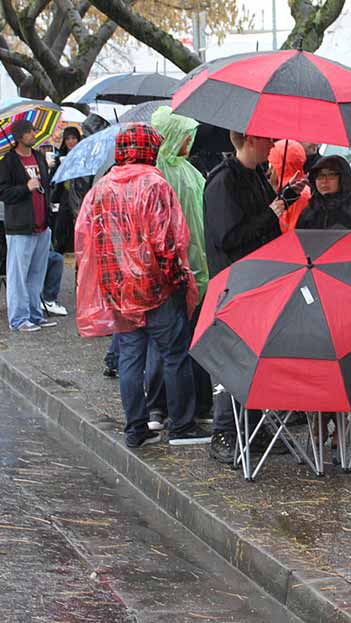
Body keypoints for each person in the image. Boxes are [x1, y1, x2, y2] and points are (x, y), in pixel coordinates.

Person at [75, 123, 211, 448]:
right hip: (156, 289)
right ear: (150, 149)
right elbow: (167, 241)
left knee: (130, 359)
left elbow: (89, 240)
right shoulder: (155, 184)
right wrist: (178, 282)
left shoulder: (102, 188)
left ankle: (136, 428)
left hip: (119, 292)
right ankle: (181, 425)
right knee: (175, 354)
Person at [203, 130, 284, 462]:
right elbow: (229, 237)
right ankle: (224, 432)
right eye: (268, 139)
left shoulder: (255, 176)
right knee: (230, 360)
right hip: (232, 283)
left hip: (256, 281)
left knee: (253, 358)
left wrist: (280, 201)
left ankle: (253, 425)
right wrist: (272, 213)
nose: (273, 144)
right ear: (251, 139)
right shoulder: (223, 181)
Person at [152, 105, 213, 421]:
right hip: (175, 272)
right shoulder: (159, 173)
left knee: (184, 341)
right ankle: (172, 407)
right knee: (174, 344)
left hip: (191, 270)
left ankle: (187, 405)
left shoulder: (188, 171)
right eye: (186, 134)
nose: (190, 140)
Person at [0, 119, 57, 333]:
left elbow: (45, 187)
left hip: (41, 225)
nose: (33, 134)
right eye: (29, 132)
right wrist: (24, 188)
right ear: (19, 137)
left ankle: (34, 314)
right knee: (18, 275)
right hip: (20, 227)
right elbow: (0, 192)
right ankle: (18, 319)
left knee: (37, 273)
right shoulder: (8, 162)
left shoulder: (38, 157)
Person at [297, 155, 351, 232]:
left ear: (343, 179)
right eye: (320, 176)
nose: (324, 181)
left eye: (331, 175)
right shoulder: (309, 212)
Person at [267, 139, 311, 233]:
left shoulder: (298, 193)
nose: (268, 167)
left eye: (271, 162)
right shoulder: (281, 188)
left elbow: (290, 231)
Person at [50, 126, 81, 255]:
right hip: (65, 194)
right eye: (67, 138)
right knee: (62, 223)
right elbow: (54, 179)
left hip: (79, 194)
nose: (70, 141)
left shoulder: (84, 155)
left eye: (74, 138)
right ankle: (60, 248)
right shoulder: (61, 156)